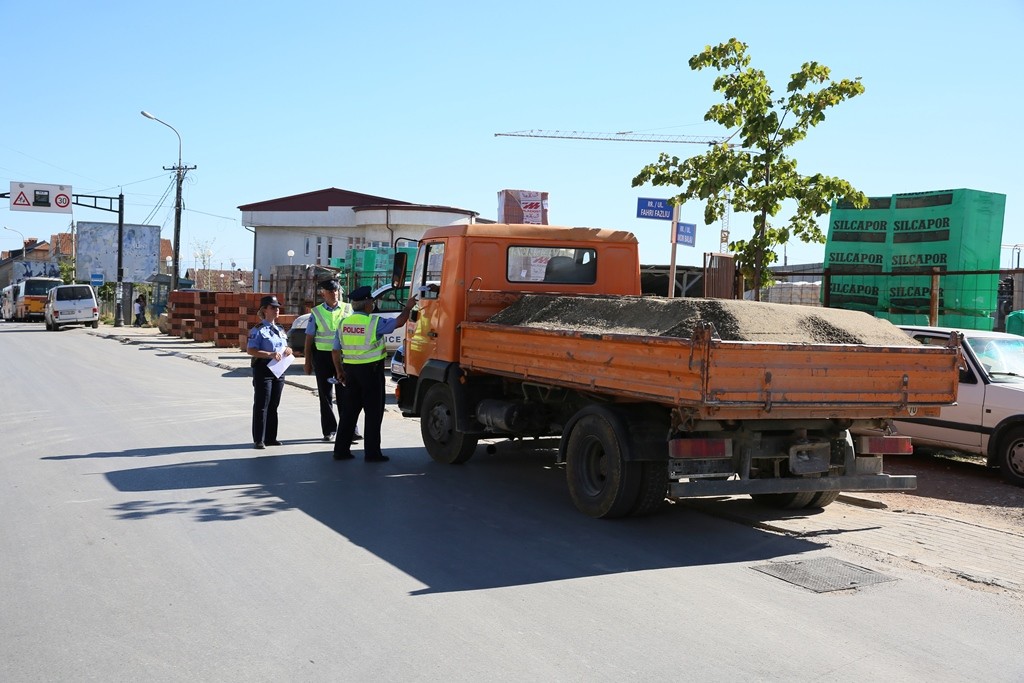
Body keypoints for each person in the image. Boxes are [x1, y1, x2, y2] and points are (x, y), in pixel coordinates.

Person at [331, 285, 416, 462]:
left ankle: (340, 450)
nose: (373, 304)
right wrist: (408, 307)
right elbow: (400, 322)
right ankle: (372, 453)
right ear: (367, 304)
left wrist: (340, 371)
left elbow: (335, 351)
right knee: (373, 413)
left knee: (349, 413)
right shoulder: (374, 322)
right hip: (371, 373)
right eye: (371, 301)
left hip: (350, 372)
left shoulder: (343, 323)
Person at [303, 279, 359, 442]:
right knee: (325, 395)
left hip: (343, 356)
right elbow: (309, 338)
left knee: (347, 395)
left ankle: (350, 429)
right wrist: (308, 361)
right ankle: (330, 430)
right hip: (323, 358)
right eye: (330, 291)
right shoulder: (317, 312)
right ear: (323, 293)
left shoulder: (348, 309)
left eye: (336, 291)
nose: (334, 294)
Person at [246, 295, 293, 449]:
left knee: (274, 404)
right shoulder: (258, 329)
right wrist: (269, 354)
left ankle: (271, 437)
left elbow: (286, 346)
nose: (276, 310)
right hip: (263, 369)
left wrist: (288, 350)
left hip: (278, 370)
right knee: (262, 404)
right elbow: (250, 350)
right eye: (273, 307)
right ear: (264, 310)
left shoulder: (280, 329)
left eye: (278, 307)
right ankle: (259, 438)